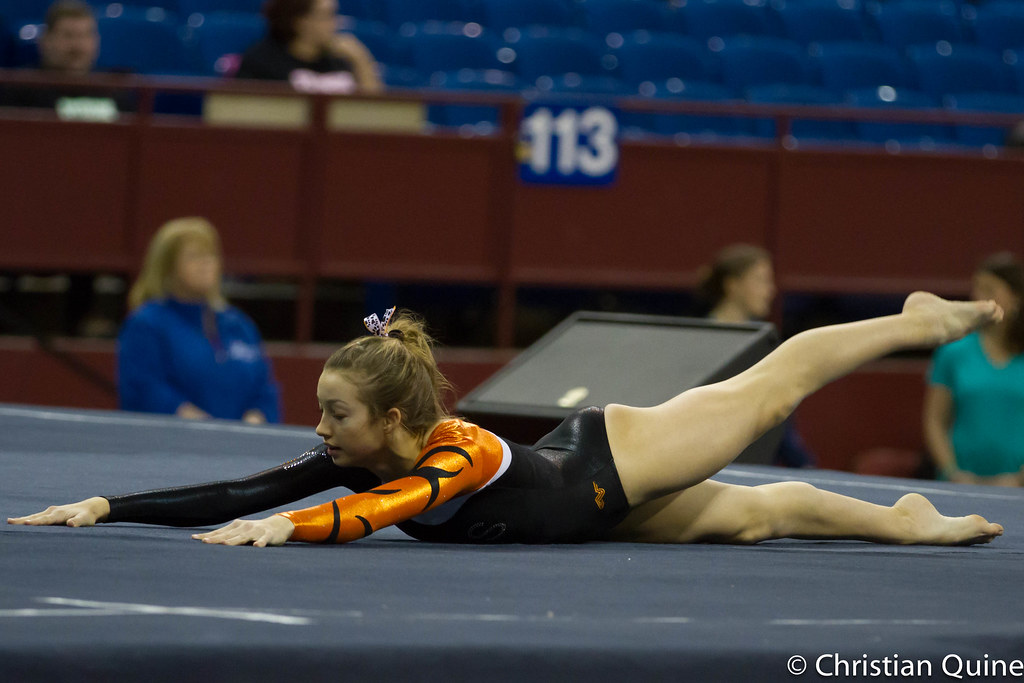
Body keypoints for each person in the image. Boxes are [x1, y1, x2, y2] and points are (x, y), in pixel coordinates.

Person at [8, 294, 1006, 549]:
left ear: (392, 414)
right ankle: (906, 518)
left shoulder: (461, 450)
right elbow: (242, 488)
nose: (318, 427)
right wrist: (105, 503)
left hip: (614, 459)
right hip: (591, 517)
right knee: (757, 512)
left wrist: (295, 527)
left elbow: (391, 503)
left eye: (334, 412)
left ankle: (909, 322)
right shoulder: (349, 454)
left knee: (773, 388)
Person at [116, 217, 281, 424]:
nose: (205, 263)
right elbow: (144, 388)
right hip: (173, 444)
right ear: (167, 266)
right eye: (194, 256)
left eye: (210, 255)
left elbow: (265, 390)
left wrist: (254, 422)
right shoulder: (147, 324)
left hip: (240, 445)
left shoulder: (238, 324)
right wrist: (203, 428)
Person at [696, 244, 814, 468]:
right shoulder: (700, 340)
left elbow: (781, 416)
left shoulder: (767, 343)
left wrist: (806, 467)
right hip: (704, 464)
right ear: (733, 285)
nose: (770, 290)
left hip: (756, 466)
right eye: (760, 280)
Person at [923, 253, 1024, 486]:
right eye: (977, 289)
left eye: (989, 290)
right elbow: (934, 421)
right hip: (960, 484)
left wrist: (1019, 479)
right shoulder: (952, 353)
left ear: (1016, 296)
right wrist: (952, 472)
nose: (979, 298)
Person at [0, 0, 132, 119]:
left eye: (85, 35)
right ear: (45, 40)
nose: (77, 46)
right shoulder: (20, 88)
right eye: (68, 35)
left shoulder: (115, 88)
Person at [234, 0, 382, 94]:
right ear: (300, 21)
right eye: (328, 15)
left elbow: (373, 116)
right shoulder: (261, 62)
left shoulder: (341, 61)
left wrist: (361, 61)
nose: (335, 23)